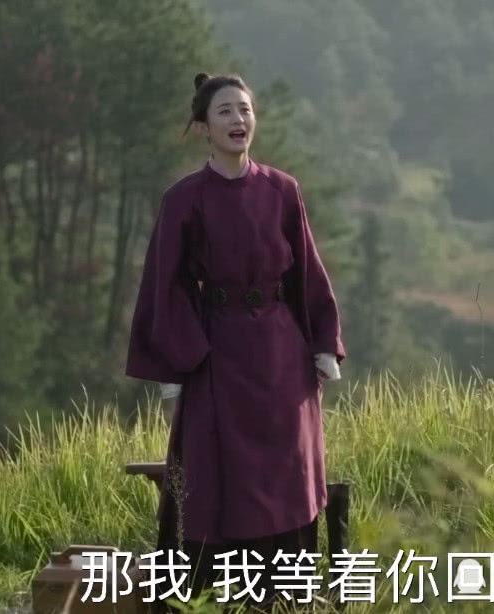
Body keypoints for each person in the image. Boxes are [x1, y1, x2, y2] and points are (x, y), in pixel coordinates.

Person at [124, 71, 346, 609]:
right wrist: (178, 362)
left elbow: (307, 269)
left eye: (244, 110)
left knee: (288, 472)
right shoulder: (184, 199)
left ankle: (286, 595)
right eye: (224, 111)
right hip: (216, 352)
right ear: (204, 126)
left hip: (282, 352)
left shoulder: (282, 189)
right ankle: (209, 593)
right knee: (217, 472)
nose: (238, 120)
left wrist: (322, 341)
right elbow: (166, 282)